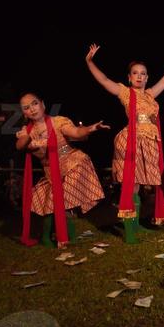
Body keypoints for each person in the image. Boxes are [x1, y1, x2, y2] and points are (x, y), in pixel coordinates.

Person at [85, 44, 164, 243]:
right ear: (129, 77)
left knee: (141, 184)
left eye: (143, 74)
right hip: (131, 140)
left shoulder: (150, 94)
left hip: (150, 141)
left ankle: (137, 225)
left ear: (147, 78)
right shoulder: (125, 92)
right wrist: (89, 61)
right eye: (135, 73)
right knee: (131, 185)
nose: (139, 76)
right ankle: (129, 230)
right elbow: (104, 80)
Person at [16, 93, 108, 247]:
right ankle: (49, 237)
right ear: (24, 113)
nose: (32, 109)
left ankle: (65, 237)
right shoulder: (26, 131)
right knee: (48, 204)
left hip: (73, 164)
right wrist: (28, 136)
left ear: (43, 104)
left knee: (61, 199)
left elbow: (77, 133)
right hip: (51, 172)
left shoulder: (58, 122)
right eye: (26, 108)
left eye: (34, 104)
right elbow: (19, 146)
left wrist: (92, 128)